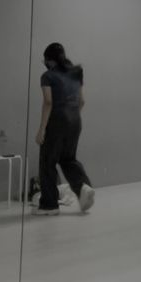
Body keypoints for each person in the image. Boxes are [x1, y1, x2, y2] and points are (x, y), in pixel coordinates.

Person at [34, 43, 94, 216]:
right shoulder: (76, 73)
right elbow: (82, 101)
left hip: (57, 122)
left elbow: (48, 102)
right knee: (68, 159)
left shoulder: (47, 76)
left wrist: (41, 129)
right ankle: (84, 187)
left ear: (49, 60)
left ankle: (49, 205)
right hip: (75, 121)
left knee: (47, 162)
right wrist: (71, 118)